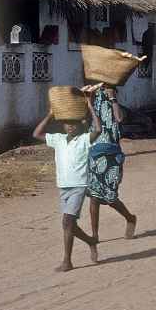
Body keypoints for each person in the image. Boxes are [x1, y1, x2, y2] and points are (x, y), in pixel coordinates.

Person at [33, 91, 101, 272]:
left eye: (74, 123)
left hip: (79, 185)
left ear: (80, 125)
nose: (70, 127)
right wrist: (50, 114)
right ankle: (90, 241)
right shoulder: (58, 139)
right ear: (62, 125)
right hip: (63, 186)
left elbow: (98, 130)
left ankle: (67, 261)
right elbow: (36, 133)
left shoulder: (84, 140)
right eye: (67, 123)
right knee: (68, 224)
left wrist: (89, 106)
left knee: (67, 220)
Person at [88, 85, 138, 240]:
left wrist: (112, 97)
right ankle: (95, 235)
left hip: (112, 155)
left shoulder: (113, 98)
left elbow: (119, 118)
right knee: (94, 196)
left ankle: (130, 218)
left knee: (110, 197)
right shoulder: (94, 96)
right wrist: (88, 100)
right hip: (95, 152)